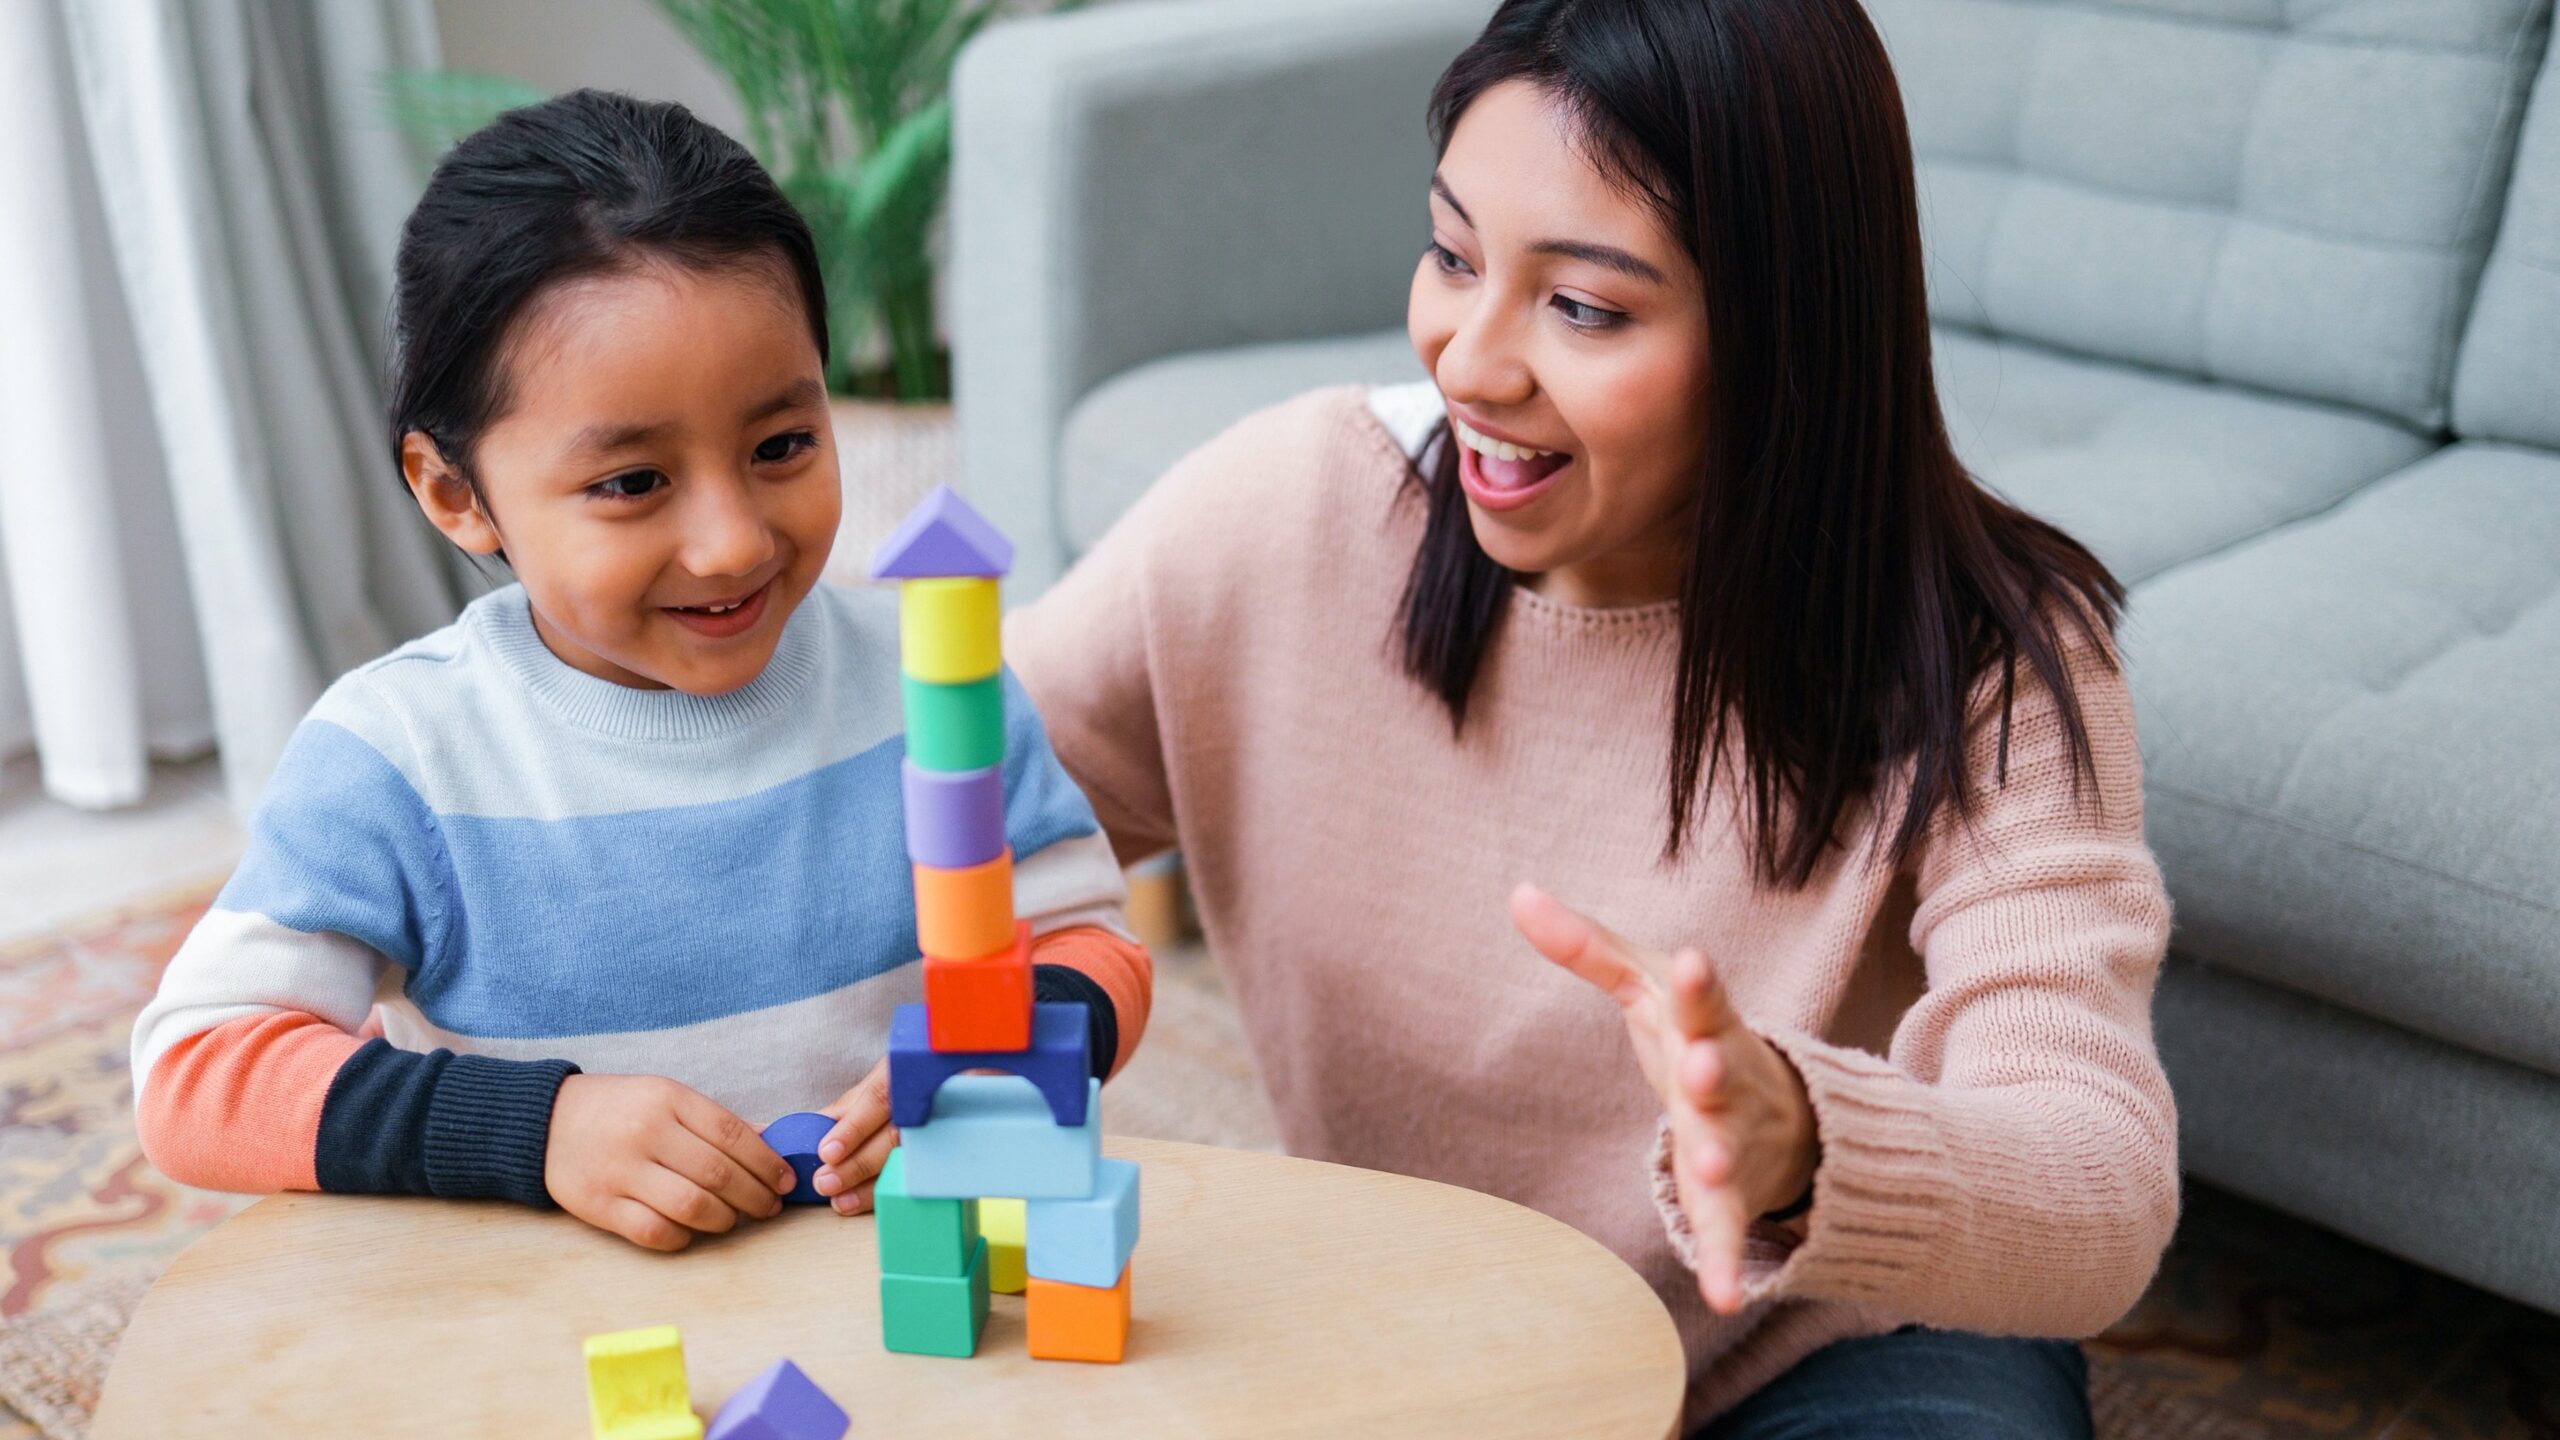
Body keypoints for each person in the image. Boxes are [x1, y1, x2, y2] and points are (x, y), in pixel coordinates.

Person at [1006, 1, 2175, 1433]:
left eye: (1586, 307)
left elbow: (2102, 1189)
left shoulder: (1989, 659)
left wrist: (1799, 1143)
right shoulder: (1289, 512)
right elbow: (931, 820)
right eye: (1452, 254)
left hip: (1825, 1346)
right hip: (1422, 1330)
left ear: (1786, 328)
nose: (1470, 361)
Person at [129, 91, 1149, 1252]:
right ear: (454, 492)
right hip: (559, 1335)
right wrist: (539, 1128)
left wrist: (997, 1067)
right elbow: (195, 1075)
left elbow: (1092, 947)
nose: (732, 543)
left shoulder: (937, 679)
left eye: (781, 448)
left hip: (893, 1291)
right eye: (631, 483)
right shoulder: (400, 757)